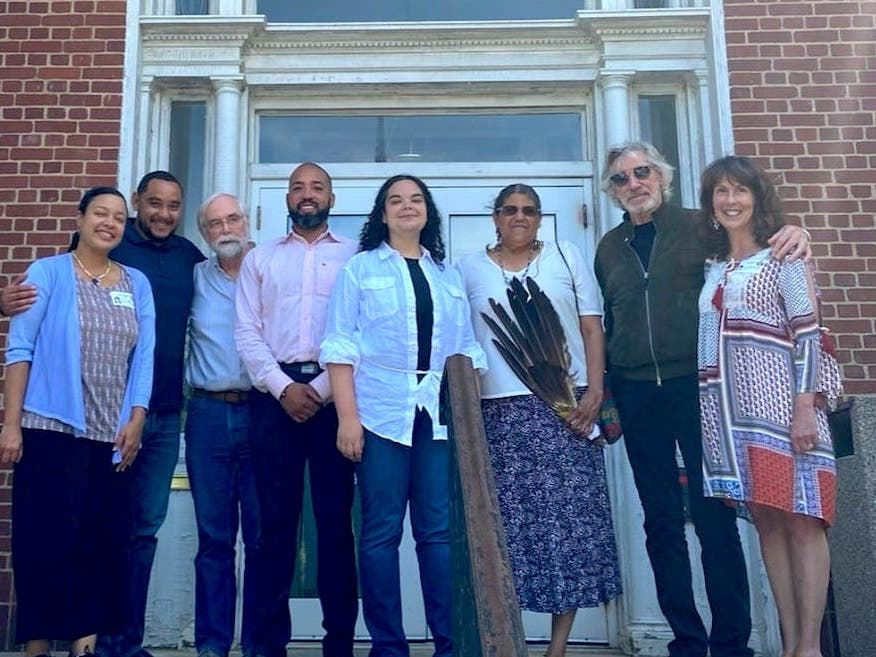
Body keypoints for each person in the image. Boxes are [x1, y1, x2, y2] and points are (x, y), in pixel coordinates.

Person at [594, 141, 810, 657]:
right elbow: (609, 320)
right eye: (621, 179)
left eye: (641, 172)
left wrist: (795, 230)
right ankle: (686, 641)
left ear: (662, 177)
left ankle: (731, 643)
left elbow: (751, 242)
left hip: (700, 389)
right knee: (661, 520)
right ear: (612, 191)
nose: (634, 185)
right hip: (637, 392)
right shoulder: (607, 246)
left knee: (714, 515)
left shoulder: (699, 228)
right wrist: (607, 397)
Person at [0, 171, 205, 657]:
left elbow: (147, 354)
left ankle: (89, 645)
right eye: (101, 214)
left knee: (103, 540)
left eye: (116, 218)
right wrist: (10, 423)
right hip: (49, 427)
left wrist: (135, 416)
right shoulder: (48, 272)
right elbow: (20, 349)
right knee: (45, 538)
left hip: (113, 433)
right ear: (81, 219)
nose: (110, 224)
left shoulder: (144, 278)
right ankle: (36, 645)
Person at [321, 174, 487, 657]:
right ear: (383, 214)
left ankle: (448, 644)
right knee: (379, 533)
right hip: (378, 413)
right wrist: (347, 419)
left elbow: (466, 349)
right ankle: (388, 646)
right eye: (396, 200)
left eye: (416, 200)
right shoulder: (361, 269)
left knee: (436, 533)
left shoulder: (447, 274)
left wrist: (470, 417)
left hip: (435, 416)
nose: (406, 207)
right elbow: (339, 345)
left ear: (428, 212)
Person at [457, 183, 622, 657]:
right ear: (495, 217)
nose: (519, 217)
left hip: (566, 410)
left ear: (540, 218)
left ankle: (557, 647)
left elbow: (592, 325)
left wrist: (593, 390)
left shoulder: (566, 256)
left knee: (566, 531)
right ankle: (504, 639)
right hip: (498, 413)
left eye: (529, 210)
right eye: (509, 210)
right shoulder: (468, 268)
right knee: (505, 530)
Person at [696, 156, 839, 657]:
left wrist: (804, 406)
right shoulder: (713, 268)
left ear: (757, 197)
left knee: (805, 519)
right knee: (770, 525)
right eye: (720, 192)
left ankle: (810, 647)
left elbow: (807, 334)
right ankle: (787, 643)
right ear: (711, 203)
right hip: (736, 420)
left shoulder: (785, 256)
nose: (730, 200)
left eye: (740, 190)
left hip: (787, 409)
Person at [235, 163, 359, 657]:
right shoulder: (259, 259)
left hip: (337, 400)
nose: (307, 195)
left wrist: (324, 389)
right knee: (273, 527)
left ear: (332, 196)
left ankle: (339, 644)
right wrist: (283, 386)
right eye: (298, 188)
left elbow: (362, 332)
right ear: (287, 198)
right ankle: (267, 645)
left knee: (335, 525)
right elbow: (246, 331)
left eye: (317, 188)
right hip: (274, 401)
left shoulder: (356, 256)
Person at [184, 193, 259, 657]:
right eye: (215, 223)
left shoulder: (269, 271)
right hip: (207, 416)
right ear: (205, 233)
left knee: (261, 535)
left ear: (247, 222)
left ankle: (257, 643)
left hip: (262, 414)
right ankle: (213, 645)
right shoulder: (194, 278)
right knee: (213, 538)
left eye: (233, 218)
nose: (226, 228)